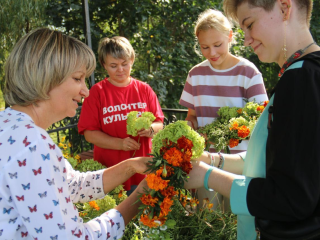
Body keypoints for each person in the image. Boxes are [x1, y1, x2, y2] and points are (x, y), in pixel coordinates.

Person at [186, 0, 320, 239]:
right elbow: (274, 160)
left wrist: (207, 176)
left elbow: (291, 199)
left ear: (284, 7)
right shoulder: (302, 73)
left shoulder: (301, 80)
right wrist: (213, 160)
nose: (246, 39)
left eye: (249, 24)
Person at [0, 28, 151, 239]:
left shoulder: (8, 124)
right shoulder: (33, 144)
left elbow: (71, 185)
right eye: (78, 78)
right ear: (47, 78)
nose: (85, 91)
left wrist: (131, 166)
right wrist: (141, 196)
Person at [179, 8, 268, 211]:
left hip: (240, 164)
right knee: (208, 219)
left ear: (230, 37)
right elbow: (191, 116)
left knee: (237, 218)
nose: (212, 53)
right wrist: (188, 129)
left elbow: (262, 120)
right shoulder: (195, 74)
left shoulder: (248, 72)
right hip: (205, 164)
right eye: (204, 47)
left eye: (217, 45)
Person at [78, 36, 164, 195]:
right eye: (113, 65)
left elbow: (159, 122)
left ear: (132, 60)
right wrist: (119, 144)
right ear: (104, 65)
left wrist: (151, 129)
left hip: (143, 171)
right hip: (111, 173)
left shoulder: (144, 89)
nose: (120, 69)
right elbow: (89, 133)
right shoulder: (97, 92)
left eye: (125, 64)